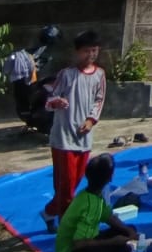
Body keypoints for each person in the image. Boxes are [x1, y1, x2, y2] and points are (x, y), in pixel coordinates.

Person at [40, 30, 107, 231]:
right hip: (63, 137)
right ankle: (67, 227)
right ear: (77, 52)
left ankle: (49, 212)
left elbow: (99, 100)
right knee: (66, 185)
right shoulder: (66, 74)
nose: (91, 55)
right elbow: (49, 101)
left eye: (94, 50)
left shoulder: (99, 75)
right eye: (87, 51)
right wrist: (57, 102)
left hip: (83, 137)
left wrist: (91, 120)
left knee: (75, 181)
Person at [53, 154, 139, 252]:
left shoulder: (90, 194)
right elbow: (78, 244)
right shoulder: (90, 205)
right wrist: (113, 242)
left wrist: (128, 231)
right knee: (121, 250)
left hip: (83, 243)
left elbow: (108, 216)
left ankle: (120, 247)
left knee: (129, 229)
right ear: (110, 177)